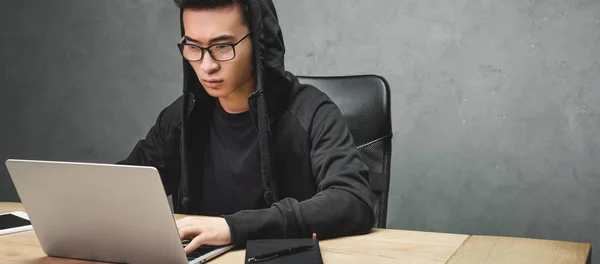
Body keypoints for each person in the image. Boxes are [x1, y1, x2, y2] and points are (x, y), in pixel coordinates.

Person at [118, 0, 374, 253]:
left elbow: (352, 200)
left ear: (259, 42)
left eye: (222, 46)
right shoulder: (183, 117)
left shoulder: (312, 111)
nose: (207, 65)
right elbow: (120, 187)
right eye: (193, 47)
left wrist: (233, 227)